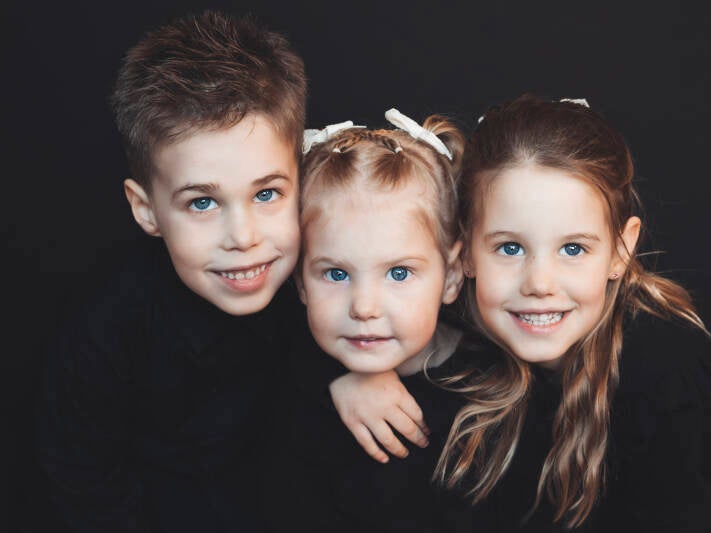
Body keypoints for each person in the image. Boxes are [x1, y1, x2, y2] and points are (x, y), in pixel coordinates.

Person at [34, 11, 421, 533]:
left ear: (302, 180)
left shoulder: (332, 284)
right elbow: (85, 485)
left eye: (267, 194)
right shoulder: (104, 334)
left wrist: (356, 368)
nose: (242, 237)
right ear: (146, 210)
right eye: (202, 203)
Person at [429, 93, 711, 532]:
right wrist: (362, 381)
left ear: (620, 251)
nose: (540, 284)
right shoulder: (453, 337)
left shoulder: (665, 376)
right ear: (465, 251)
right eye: (509, 248)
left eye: (573, 249)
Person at [289, 109, 485, 531]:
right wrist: (333, 377)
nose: (364, 308)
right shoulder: (280, 377)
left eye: (398, 273)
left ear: (452, 275)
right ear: (300, 281)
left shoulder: (490, 396)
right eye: (336, 274)